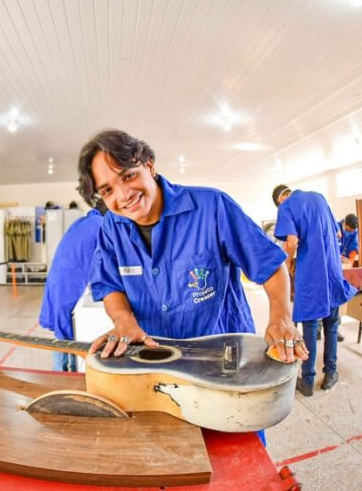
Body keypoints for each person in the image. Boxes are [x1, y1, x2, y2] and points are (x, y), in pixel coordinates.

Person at [76, 129, 308, 443]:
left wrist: (280, 317)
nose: (123, 195)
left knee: (237, 456)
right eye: (107, 190)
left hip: (226, 367)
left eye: (128, 176)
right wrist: (123, 320)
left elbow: (270, 265)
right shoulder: (111, 228)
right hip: (156, 372)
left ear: (150, 165)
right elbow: (108, 285)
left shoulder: (212, 207)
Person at [272, 185, 357, 397]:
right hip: (332, 272)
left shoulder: (286, 207)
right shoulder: (319, 197)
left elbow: (291, 242)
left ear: (279, 200)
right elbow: (337, 232)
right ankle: (330, 374)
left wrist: (288, 263)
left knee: (310, 328)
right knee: (331, 325)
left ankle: (308, 381)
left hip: (311, 275)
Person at [39, 201, 107, 372]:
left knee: (64, 329)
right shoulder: (100, 225)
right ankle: (61, 374)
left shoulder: (81, 221)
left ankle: (66, 368)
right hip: (70, 282)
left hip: (58, 279)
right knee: (67, 330)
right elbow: (105, 259)